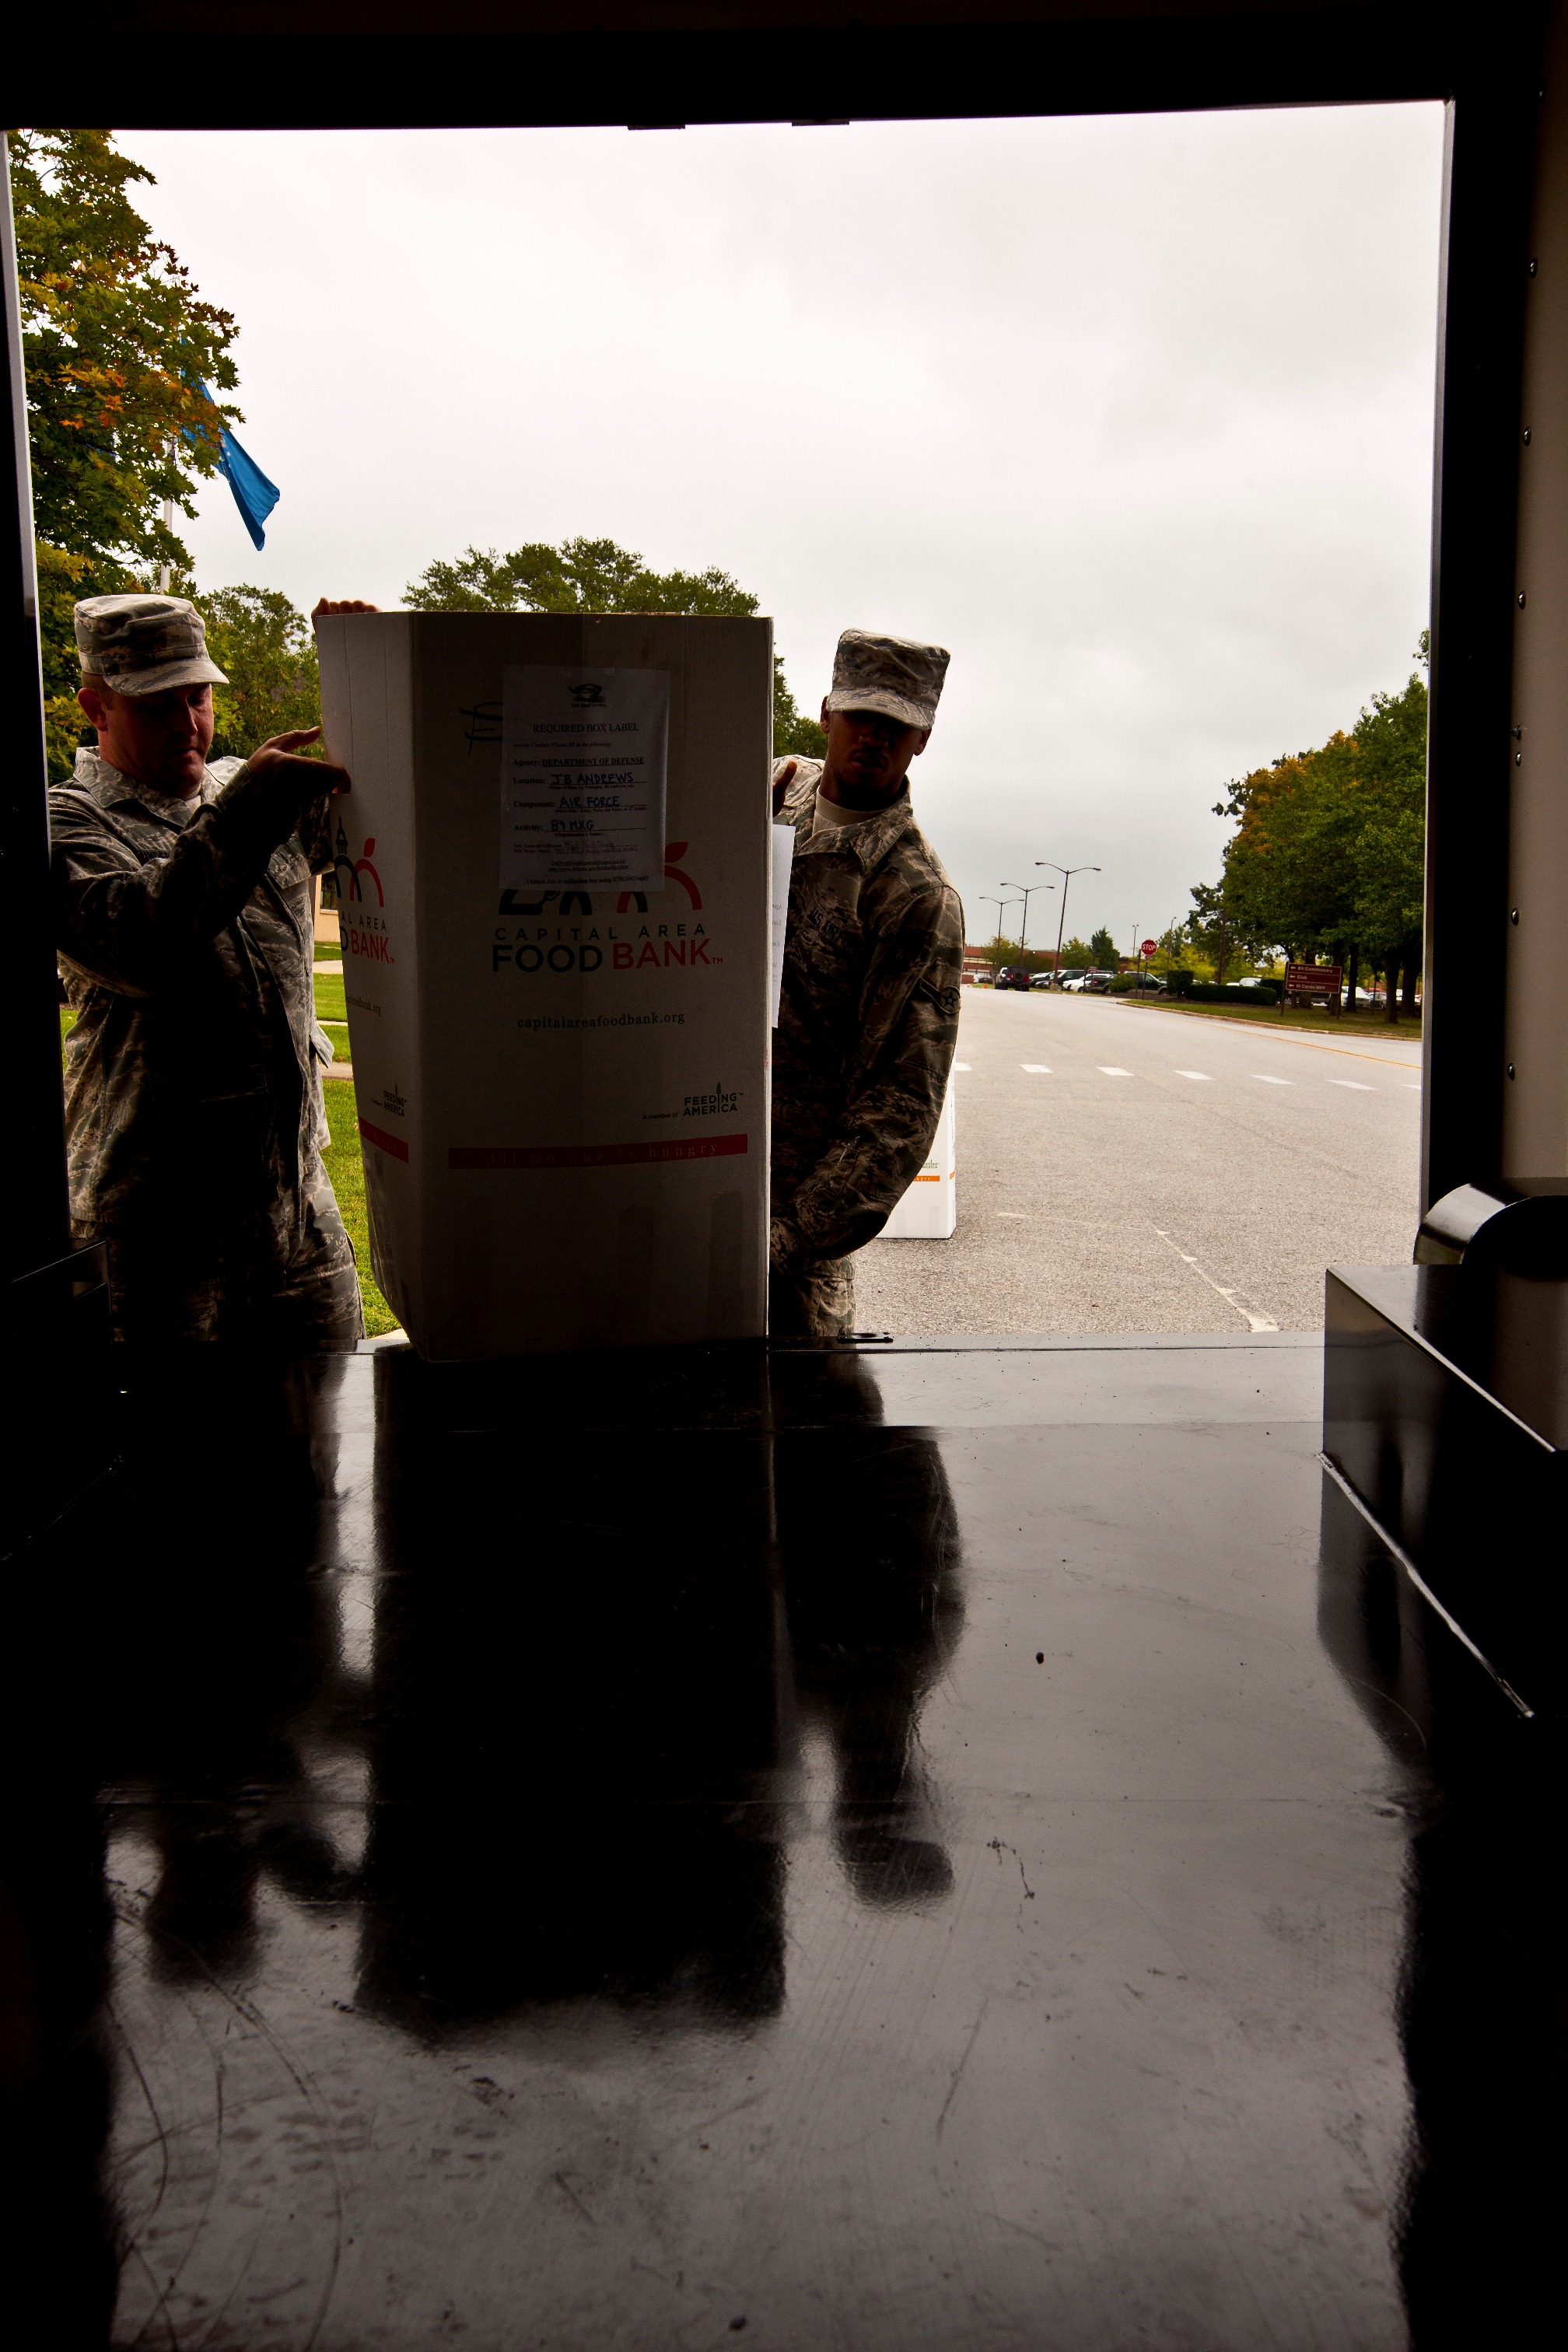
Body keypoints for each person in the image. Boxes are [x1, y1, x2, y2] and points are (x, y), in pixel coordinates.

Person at [50, 592, 367, 1350]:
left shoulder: (249, 794)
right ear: (97, 706)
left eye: (198, 698)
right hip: (155, 1227)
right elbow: (144, 944)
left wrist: (365, 671)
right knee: (170, 1456)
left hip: (296, 1209)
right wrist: (248, 811)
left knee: (333, 1444)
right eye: (158, 706)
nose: (187, 723)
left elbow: (386, 810)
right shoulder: (68, 824)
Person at [770, 628, 964, 1339]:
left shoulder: (913, 893)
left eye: (898, 727)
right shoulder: (771, 791)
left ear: (922, 741)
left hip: (790, 1246)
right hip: (684, 1181)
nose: (876, 738)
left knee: (806, 1433)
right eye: (863, 717)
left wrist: (787, 1239)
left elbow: (901, 1102)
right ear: (827, 713)